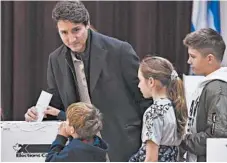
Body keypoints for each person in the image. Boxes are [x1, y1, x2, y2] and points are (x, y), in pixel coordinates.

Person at [24, 1, 152, 161]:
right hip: (81, 149)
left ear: (88, 24)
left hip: (124, 143)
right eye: (64, 33)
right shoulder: (55, 59)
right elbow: (56, 102)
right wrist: (37, 112)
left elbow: (145, 99)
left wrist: (150, 143)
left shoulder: (120, 51)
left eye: (76, 30)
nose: (71, 39)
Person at [179, 28, 227, 162]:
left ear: (209, 58)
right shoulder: (210, 86)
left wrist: (181, 140)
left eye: (193, 56)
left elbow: (218, 137)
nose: (188, 62)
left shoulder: (219, 89)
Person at [129, 56, 188, 162]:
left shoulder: (153, 112)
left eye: (140, 80)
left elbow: (151, 159)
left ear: (151, 82)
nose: (138, 85)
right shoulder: (175, 107)